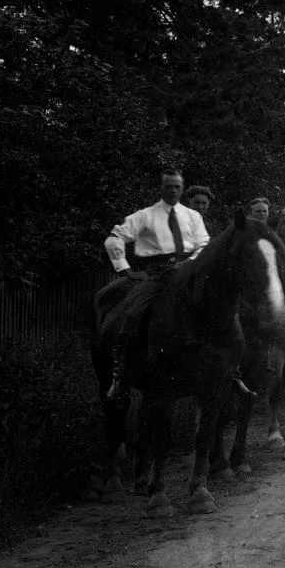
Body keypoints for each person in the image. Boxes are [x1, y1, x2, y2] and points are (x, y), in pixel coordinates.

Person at [102, 168, 210, 400]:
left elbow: (204, 245)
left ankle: (226, 374)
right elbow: (115, 238)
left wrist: (189, 263)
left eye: (177, 187)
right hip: (156, 275)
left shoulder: (193, 218)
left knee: (218, 311)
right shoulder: (146, 215)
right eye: (168, 186)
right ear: (161, 189)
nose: (172, 190)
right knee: (132, 314)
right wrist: (126, 269)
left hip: (188, 274)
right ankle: (119, 376)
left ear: (182, 190)